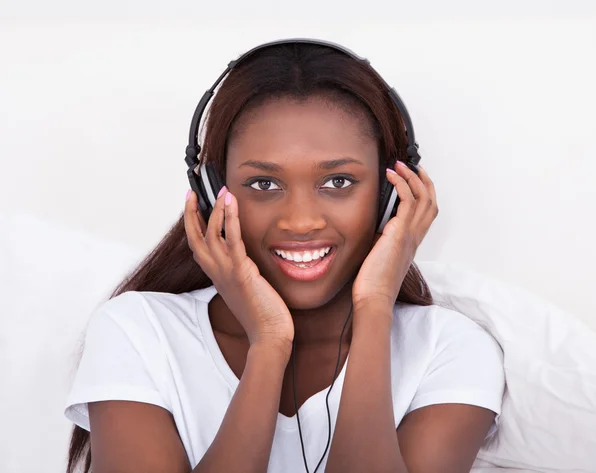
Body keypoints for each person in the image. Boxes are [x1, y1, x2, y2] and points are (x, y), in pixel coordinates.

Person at [64, 39, 505, 473]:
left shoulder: (450, 349)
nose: (300, 221)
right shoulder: (139, 332)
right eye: (263, 184)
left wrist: (374, 309)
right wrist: (269, 343)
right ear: (212, 192)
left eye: (338, 182)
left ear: (391, 195)